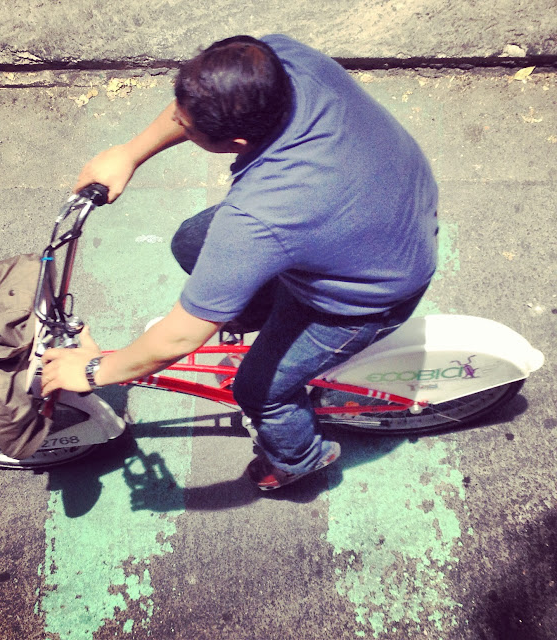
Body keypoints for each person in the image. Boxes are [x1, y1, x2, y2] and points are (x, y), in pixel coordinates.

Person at [41, 34, 438, 490]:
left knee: (259, 391)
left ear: (236, 142)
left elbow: (180, 337)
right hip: (382, 207)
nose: (178, 124)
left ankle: (298, 460)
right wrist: (129, 154)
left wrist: (94, 371)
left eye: (187, 129)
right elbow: (192, 106)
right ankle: (264, 318)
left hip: (369, 293)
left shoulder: (258, 215)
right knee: (192, 241)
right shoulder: (279, 60)